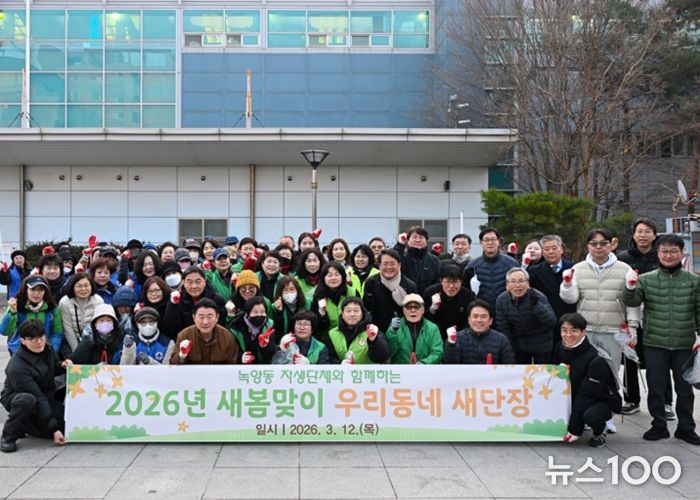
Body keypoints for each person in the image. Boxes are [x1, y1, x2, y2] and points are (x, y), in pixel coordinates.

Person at [622, 234, 700, 445]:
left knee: (685, 390)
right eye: (664, 251)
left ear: (682, 253)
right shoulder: (646, 279)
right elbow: (631, 301)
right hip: (654, 343)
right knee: (656, 388)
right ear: (658, 254)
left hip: (684, 344)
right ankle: (658, 426)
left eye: (673, 251)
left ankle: (686, 428)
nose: (668, 255)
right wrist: (630, 286)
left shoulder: (694, 281)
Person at [616, 218, 673, 418]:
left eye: (647, 231)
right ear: (633, 234)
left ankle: (665, 402)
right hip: (630, 315)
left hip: (656, 315)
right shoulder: (622, 258)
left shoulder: (662, 256)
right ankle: (631, 400)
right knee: (630, 358)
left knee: (660, 360)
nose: (643, 235)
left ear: (654, 235)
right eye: (639, 231)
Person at [554, 313, 622, 448]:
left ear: (584, 332)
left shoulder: (596, 358)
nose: (568, 335)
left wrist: (575, 430)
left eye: (574, 331)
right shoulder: (559, 348)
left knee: (591, 415)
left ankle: (599, 431)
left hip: (600, 399)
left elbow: (586, 395)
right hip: (575, 394)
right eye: (564, 330)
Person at [0, 320, 67, 453]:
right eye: (33, 339)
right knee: (27, 400)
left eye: (41, 336)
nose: (39, 342)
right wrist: (54, 429)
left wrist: (62, 366)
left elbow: (53, 368)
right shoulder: (17, 366)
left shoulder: (47, 348)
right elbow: (37, 396)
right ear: (23, 341)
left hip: (46, 395)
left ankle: (26, 423)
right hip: (19, 397)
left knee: (66, 426)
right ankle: (8, 435)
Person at [494, 268, 557, 364]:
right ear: (507, 285)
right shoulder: (501, 300)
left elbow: (551, 322)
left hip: (542, 343)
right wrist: (510, 348)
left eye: (521, 281)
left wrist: (536, 305)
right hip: (519, 345)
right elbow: (503, 328)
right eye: (513, 281)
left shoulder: (538, 296)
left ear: (527, 284)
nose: (517, 285)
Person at [528, 235, 577, 351]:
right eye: (547, 249)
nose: (551, 252)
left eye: (554, 248)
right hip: (546, 323)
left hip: (570, 319)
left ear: (561, 249)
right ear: (542, 252)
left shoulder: (573, 268)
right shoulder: (534, 271)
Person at [0, 276, 63, 355]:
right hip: (20, 352)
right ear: (25, 289)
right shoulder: (16, 305)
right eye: (33, 289)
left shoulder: (52, 308)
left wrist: (51, 352)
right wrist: (12, 313)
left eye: (41, 290)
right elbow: (4, 331)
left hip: (45, 351)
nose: (36, 293)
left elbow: (57, 333)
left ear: (45, 291)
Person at [443, 299, 514, 365]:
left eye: (483, 316)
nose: (479, 320)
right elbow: (450, 366)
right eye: (475, 316)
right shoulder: (458, 339)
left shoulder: (501, 340)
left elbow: (508, 367)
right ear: (469, 319)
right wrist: (451, 344)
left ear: (491, 320)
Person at [170, 298, 239, 365]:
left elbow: (232, 366)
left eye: (209, 317)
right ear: (194, 318)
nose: (205, 322)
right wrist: (182, 355)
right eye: (201, 317)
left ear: (217, 317)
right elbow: (173, 365)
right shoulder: (184, 335)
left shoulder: (227, 338)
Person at [163, 266, 226, 339]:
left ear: (205, 281)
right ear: (183, 282)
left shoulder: (217, 300)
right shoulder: (177, 300)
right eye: (189, 282)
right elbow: (172, 327)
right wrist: (173, 306)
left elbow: (221, 326)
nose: (194, 286)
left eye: (198, 282)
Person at [363, 249, 417, 333]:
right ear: (379, 265)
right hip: (378, 331)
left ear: (399, 265)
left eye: (392, 264)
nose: (389, 267)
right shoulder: (371, 282)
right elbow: (366, 308)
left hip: (403, 332)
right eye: (385, 264)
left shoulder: (410, 285)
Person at [465, 228, 519, 308]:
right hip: (482, 310)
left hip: (507, 309)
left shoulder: (511, 263)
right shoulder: (472, 265)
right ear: (481, 243)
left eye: (493, 239)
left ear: (498, 241)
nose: (490, 242)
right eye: (486, 240)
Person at [328, 297, 390, 364]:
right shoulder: (332, 334)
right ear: (342, 314)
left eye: (356, 311)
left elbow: (383, 356)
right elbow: (329, 357)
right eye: (348, 311)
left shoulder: (372, 330)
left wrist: (374, 340)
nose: (352, 314)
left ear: (362, 313)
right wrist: (340, 364)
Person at [386, 294, 443, 364]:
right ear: (403, 310)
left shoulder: (433, 328)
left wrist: (424, 363)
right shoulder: (394, 328)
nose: (413, 310)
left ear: (423, 310)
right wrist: (392, 332)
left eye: (417, 307)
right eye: (409, 307)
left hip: (425, 369)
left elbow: (437, 352)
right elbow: (390, 352)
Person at [311, 262, 357, 346]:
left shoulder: (352, 292)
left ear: (343, 276)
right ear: (323, 278)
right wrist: (321, 314)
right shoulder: (318, 295)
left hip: (351, 337)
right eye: (329, 275)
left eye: (337, 274)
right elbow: (315, 324)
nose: (333, 278)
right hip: (327, 339)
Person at [58, 273, 104, 358]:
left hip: (93, 343)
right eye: (79, 286)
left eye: (86, 285)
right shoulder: (64, 302)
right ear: (72, 287)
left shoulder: (98, 301)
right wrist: (78, 352)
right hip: (71, 342)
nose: (83, 289)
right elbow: (68, 329)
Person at [423, 264, 474, 340]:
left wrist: (461, 334)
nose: (451, 286)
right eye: (448, 282)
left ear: (461, 282)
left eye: (455, 282)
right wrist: (432, 309)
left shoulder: (468, 295)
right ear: (441, 281)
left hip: (460, 336)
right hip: (434, 336)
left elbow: (470, 319)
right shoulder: (430, 292)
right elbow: (423, 319)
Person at [227, 296, 276, 364]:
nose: (259, 315)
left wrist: (265, 346)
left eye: (262, 312)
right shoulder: (235, 327)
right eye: (255, 312)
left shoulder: (269, 325)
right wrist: (240, 357)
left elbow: (271, 353)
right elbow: (230, 353)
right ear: (247, 314)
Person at [393, 226, 441, 295]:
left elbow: (439, 282)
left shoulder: (434, 260)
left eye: (421, 237)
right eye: (414, 237)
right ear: (408, 240)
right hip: (405, 298)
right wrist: (400, 244)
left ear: (426, 241)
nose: (418, 240)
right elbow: (392, 259)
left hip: (428, 299)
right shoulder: (402, 258)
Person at [271, 276, 308, 342]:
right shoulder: (274, 307)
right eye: (285, 290)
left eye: (292, 289)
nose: (289, 293)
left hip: (304, 341)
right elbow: (277, 332)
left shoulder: (307, 304)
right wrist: (279, 312)